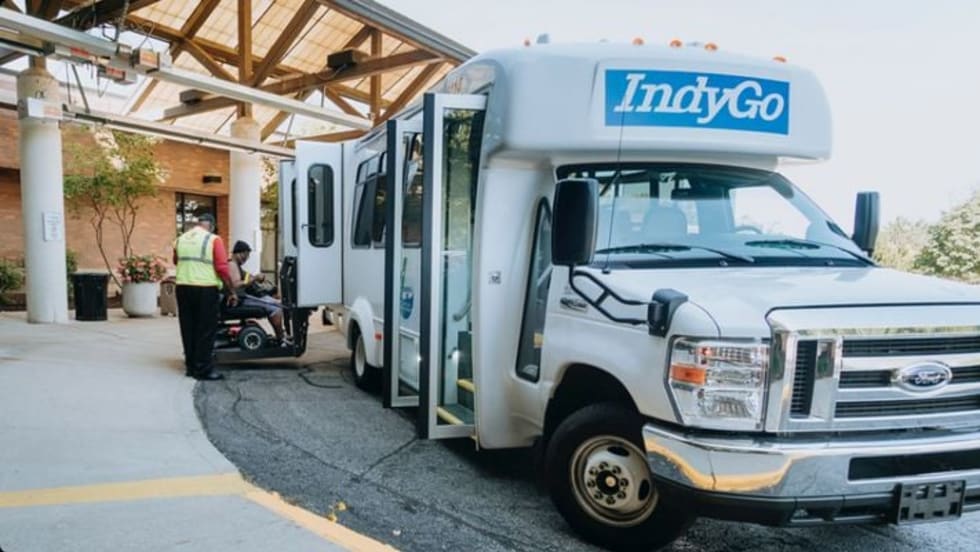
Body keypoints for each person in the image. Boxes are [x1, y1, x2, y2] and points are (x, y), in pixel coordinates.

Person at [172, 214, 236, 380]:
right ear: (212, 226)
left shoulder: (180, 239)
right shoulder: (213, 239)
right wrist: (231, 291)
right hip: (205, 289)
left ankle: (191, 367)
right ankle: (203, 369)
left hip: (183, 287)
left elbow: (176, 261)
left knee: (188, 328)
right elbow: (222, 268)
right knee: (206, 330)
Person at [228, 240, 289, 345]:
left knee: (276, 303)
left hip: (243, 297)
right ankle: (281, 338)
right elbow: (236, 284)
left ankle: (282, 335)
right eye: (245, 255)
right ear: (238, 253)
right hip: (240, 299)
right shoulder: (232, 265)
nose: (246, 258)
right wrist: (255, 278)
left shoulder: (237, 266)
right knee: (275, 308)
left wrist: (256, 278)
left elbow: (247, 278)